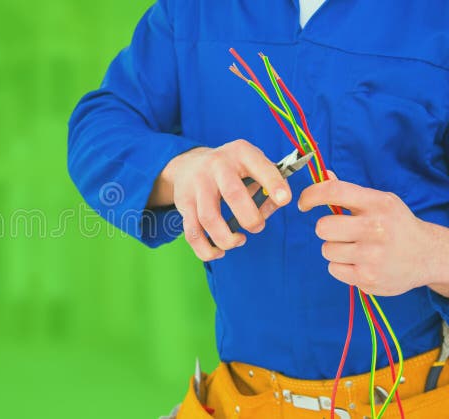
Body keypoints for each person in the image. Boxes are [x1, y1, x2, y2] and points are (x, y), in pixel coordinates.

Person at [67, 0, 449, 417]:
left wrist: (431, 255)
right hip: (243, 401)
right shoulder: (193, 11)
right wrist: (182, 168)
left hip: (413, 398)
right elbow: (98, 130)